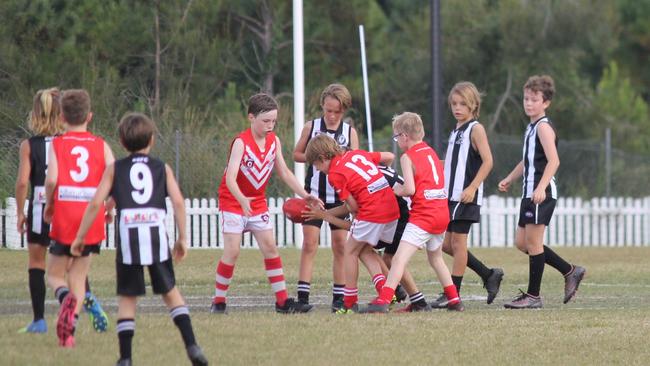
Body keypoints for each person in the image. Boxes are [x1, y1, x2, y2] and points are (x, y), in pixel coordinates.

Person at [71, 113, 208, 366]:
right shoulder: (161, 168)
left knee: (128, 299)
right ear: (152, 140)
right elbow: (178, 201)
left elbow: (95, 203)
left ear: (121, 142)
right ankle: (192, 346)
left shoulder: (115, 169)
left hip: (129, 240)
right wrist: (182, 238)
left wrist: (81, 236)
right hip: (155, 237)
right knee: (171, 293)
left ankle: (125, 358)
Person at [211, 93, 321, 314]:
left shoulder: (274, 141)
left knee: (270, 248)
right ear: (251, 117)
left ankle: (282, 302)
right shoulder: (241, 143)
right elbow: (231, 178)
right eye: (265, 121)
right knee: (232, 251)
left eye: (273, 121)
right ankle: (219, 300)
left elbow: (284, 172)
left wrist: (304, 193)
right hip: (233, 201)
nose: (270, 126)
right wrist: (241, 199)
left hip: (257, 203)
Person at [16, 88, 108, 335]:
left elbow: (24, 181)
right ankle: (86, 298)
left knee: (38, 262)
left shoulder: (30, 145)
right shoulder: (70, 142)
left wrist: (20, 212)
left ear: (35, 114)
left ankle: (39, 320)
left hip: (41, 207)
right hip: (69, 208)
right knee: (74, 263)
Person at [498, 75, 586, 309]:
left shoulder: (544, 127)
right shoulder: (531, 127)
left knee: (534, 243)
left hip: (541, 193)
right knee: (522, 242)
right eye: (526, 98)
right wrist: (509, 178)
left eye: (534, 99)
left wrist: (540, 187)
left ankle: (533, 296)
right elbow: (527, 161)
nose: (528, 103)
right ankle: (570, 271)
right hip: (529, 193)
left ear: (545, 103)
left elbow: (554, 161)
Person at [365, 112, 464, 313]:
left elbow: (409, 189)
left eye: (396, 137)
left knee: (398, 259)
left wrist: (395, 190)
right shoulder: (430, 151)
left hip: (424, 216)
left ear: (404, 136)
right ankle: (454, 299)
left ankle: (383, 301)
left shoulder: (407, 157)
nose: (397, 141)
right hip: (441, 213)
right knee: (436, 258)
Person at [304, 165, 432, 312]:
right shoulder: (361, 171)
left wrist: (326, 216)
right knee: (368, 249)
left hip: (406, 213)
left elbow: (355, 221)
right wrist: (324, 214)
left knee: (371, 252)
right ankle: (404, 296)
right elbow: (351, 209)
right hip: (404, 209)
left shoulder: (348, 177)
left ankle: (398, 296)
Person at [43, 89, 114, 347]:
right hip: (91, 219)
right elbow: (114, 177)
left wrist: (49, 205)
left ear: (61, 117)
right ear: (90, 116)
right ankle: (69, 330)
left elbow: (51, 180)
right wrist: (110, 208)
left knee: (54, 276)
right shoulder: (101, 145)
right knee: (79, 277)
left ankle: (65, 300)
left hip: (65, 215)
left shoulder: (58, 144)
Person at [430, 82, 504, 309]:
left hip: (466, 196)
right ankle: (488, 273)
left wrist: (472, 187)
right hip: (450, 196)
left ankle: (454, 293)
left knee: (458, 244)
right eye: (454, 103)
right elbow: (453, 163)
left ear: (473, 104)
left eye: (462, 103)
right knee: (445, 245)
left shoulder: (476, 129)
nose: (457, 108)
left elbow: (488, 161)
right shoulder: (456, 130)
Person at [305, 134, 397, 313]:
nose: (317, 170)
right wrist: (323, 214)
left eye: (316, 165)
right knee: (364, 250)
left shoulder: (335, 173)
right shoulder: (357, 154)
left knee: (350, 251)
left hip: (373, 211)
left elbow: (352, 207)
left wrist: (325, 216)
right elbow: (387, 156)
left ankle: (349, 302)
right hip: (390, 207)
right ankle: (385, 291)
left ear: (323, 158)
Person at [292, 83, 359, 312]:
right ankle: (302, 297)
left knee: (341, 246)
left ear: (344, 110)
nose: (331, 115)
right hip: (314, 195)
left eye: (337, 112)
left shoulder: (349, 132)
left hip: (340, 198)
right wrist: (316, 157)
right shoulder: (312, 127)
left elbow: (355, 160)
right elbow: (297, 154)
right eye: (328, 110)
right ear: (322, 105)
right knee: (310, 243)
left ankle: (339, 298)